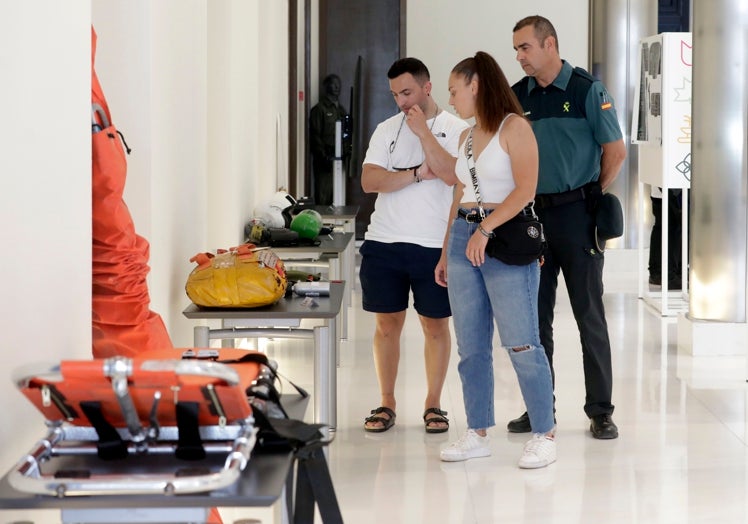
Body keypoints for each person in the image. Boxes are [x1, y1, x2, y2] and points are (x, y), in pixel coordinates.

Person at [436, 51, 556, 468]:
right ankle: (477, 431)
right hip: (464, 236)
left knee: (522, 342)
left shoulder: (514, 127)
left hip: (503, 237)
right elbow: (458, 194)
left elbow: (526, 189)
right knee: (470, 346)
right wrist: (446, 248)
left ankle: (545, 432)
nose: (452, 100)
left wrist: (486, 230)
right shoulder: (466, 138)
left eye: (455, 90)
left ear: (476, 85)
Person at [509, 15, 627, 439]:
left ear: (549, 44)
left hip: (578, 217)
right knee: (534, 320)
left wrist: (593, 193)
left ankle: (601, 410)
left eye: (525, 47)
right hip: (531, 220)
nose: (519, 56)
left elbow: (615, 150)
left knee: (588, 315)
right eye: (516, 49)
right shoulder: (516, 96)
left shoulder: (584, 90)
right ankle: (540, 408)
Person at [360, 57, 468, 434]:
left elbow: (454, 175)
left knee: (435, 325)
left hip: (432, 243)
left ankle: (433, 404)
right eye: (395, 95)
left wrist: (424, 134)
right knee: (387, 326)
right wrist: (419, 173)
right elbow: (371, 181)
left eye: (407, 92)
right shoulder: (385, 129)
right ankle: (387, 402)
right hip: (384, 240)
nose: (402, 102)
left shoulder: (457, 130)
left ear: (427, 87)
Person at [309, 74, 350, 205]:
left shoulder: (341, 110)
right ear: (326, 87)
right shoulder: (319, 109)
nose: (337, 87)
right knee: (323, 196)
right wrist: (323, 156)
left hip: (340, 159)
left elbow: (346, 133)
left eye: (339, 83)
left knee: (338, 197)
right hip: (325, 161)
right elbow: (315, 135)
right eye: (333, 84)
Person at [648, 187, 683, 290]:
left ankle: (658, 272)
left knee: (662, 226)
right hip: (670, 188)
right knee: (672, 228)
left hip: (661, 188)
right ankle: (670, 274)